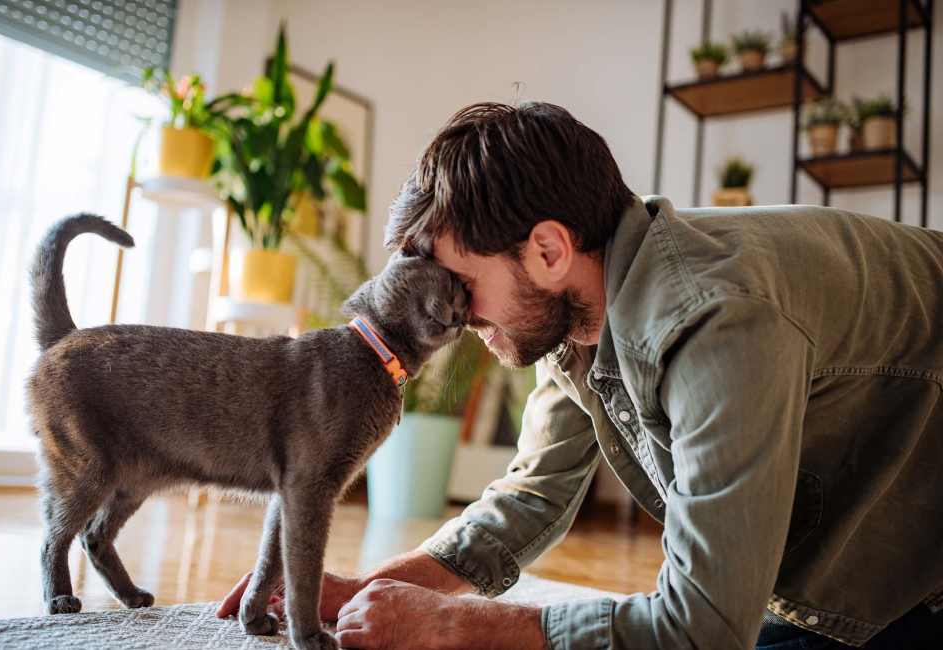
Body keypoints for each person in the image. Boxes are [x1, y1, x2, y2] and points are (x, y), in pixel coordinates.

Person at [217, 101, 943, 649]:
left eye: (463, 284)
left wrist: (456, 628)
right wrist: (374, 587)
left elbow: (702, 629)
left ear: (548, 249)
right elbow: (534, 495)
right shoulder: (580, 312)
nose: (455, 315)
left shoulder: (717, 322)